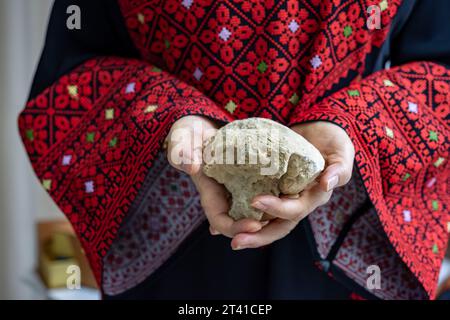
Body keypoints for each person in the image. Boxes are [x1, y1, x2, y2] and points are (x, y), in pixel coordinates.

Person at [19, 0, 449, 299]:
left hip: (345, 228)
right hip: (178, 241)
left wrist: (353, 124)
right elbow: (67, 77)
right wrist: (170, 115)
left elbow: (441, 68)